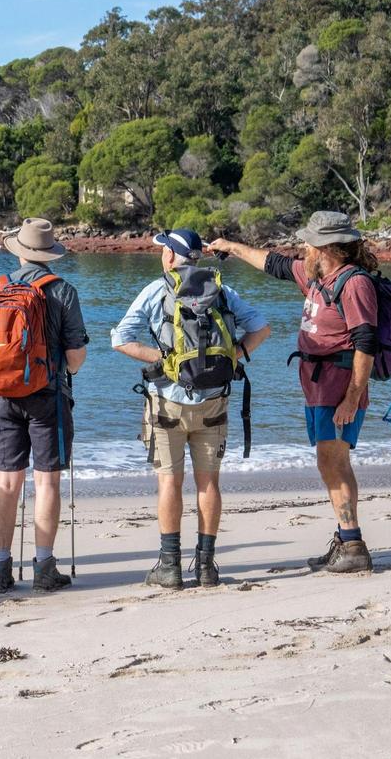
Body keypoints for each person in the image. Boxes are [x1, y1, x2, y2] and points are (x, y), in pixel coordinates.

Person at [209, 211, 379, 573]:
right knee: (332, 462)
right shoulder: (318, 276)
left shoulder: (355, 284)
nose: (303, 247)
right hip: (320, 387)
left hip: (339, 387)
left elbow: (366, 343)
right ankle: (347, 541)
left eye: (309, 242)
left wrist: (351, 397)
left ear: (327, 247)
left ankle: (353, 546)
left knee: (332, 462)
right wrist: (230, 247)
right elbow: (274, 264)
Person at [112, 229, 270, 589]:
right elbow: (262, 329)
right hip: (215, 399)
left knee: (169, 482)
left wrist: (165, 362)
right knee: (208, 482)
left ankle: (169, 567)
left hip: (167, 402)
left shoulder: (156, 290)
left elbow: (122, 340)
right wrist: (234, 355)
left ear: (170, 256)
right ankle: (206, 567)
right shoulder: (222, 291)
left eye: (163, 249)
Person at [0, 218, 89, 594]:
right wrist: (62, 368)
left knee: (7, 482)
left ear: (19, 250)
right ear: (49, 254)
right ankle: (44, 566)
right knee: (47, 482)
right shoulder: (62, 291)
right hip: (48, 396)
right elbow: (76, 356)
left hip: (3, 395)